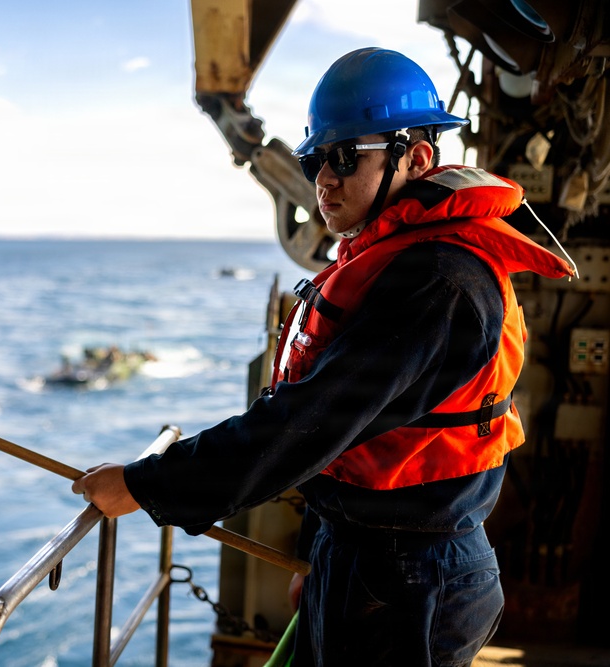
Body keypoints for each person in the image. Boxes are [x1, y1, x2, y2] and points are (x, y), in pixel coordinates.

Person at [72, 47, 577, 667]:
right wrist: (324, 553)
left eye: (344, 157)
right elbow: (347, 440)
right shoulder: (393, 258)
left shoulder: (439, 282)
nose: (324, 180)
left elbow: (309, 423)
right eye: (316, 160)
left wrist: (145, 484)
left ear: (416, 158)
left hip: (411, 582)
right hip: (367, 560)